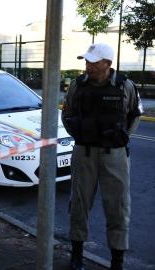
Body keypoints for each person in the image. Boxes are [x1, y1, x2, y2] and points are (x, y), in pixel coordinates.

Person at [61, 43, 143, 270]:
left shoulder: (125, 86)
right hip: (84, 152)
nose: (88, 66)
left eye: (93, 62)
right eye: (86, 61)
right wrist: (79, 133)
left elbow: (135, 114)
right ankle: (76, 255)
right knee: (78, 203)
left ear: (108, 63)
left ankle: (117, 261)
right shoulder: (78, 86)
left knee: (118, 206)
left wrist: (123, 137)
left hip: (114, 154)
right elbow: (66, 114)